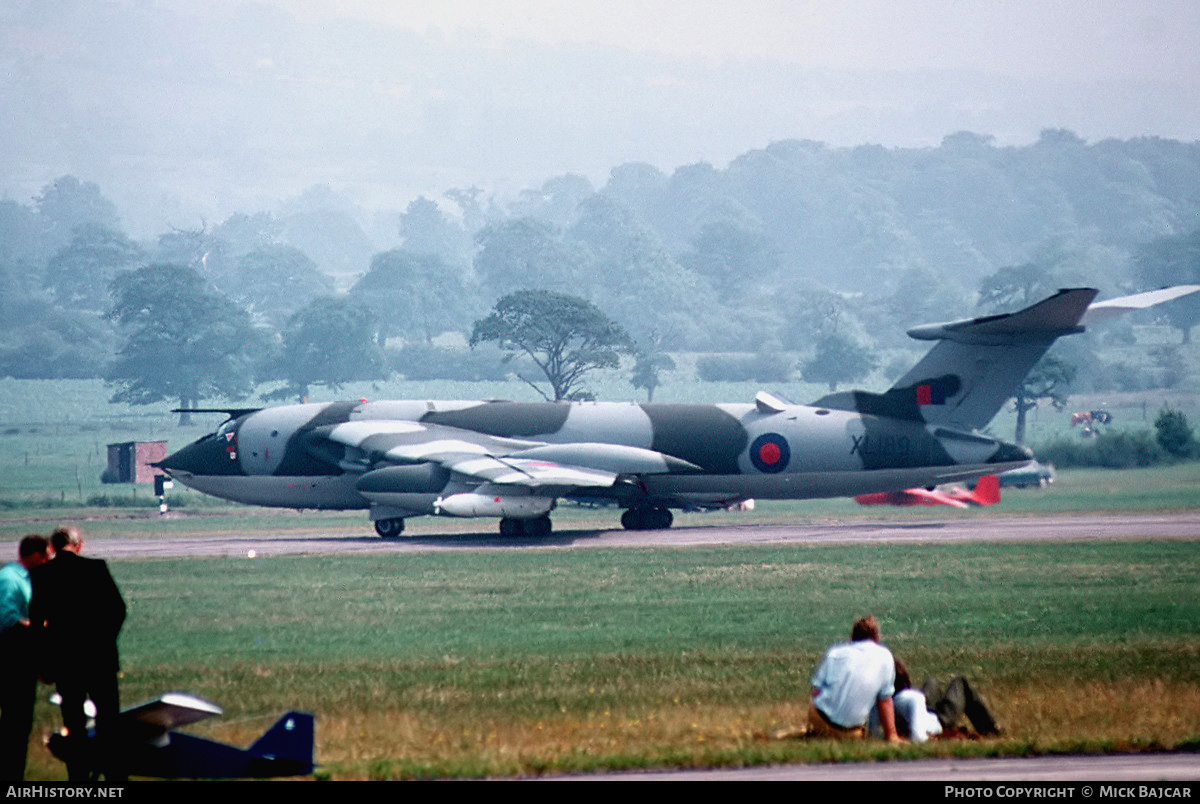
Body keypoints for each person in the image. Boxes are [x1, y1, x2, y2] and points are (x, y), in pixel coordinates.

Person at [29, 526, 127, 781]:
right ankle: (116, 779)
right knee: (109, 723)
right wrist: (104, 641)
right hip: (100, 660)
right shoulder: (97, 568)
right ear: (79, 544)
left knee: (74, 724)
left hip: (65, 663)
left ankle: (79, 780)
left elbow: (37, 623)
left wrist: (43, 662)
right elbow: (118, 610)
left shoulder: (42, 574)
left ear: (51, 548)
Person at [0, 536, 52, 780]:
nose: (47, 562)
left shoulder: (25, 578)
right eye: (45, 557)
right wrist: (39, 627)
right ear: (33, 555)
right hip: (12, 664)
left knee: (19, 725)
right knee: (15, 725)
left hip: (23, 663)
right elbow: (7, 619)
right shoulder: (10, 579)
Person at [808, 615, 900, 741]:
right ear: (877, 638)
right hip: (848, 732)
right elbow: (885, 701)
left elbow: (815, 689)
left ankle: (816, 732)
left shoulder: (834, 653)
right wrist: (892, 735)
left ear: (852, 637)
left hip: (819, 718)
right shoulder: (885, 656)